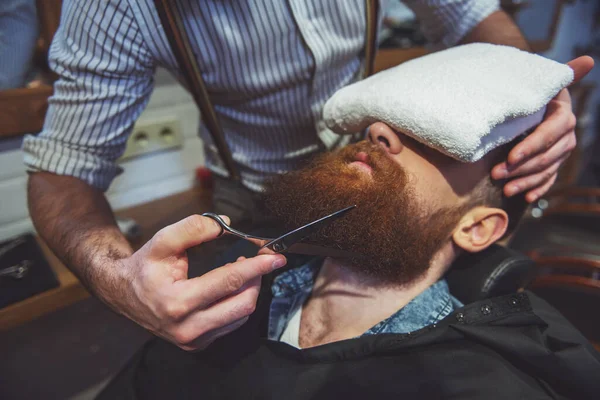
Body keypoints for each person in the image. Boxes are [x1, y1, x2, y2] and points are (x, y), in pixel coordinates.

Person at [24, 0, 582, 360]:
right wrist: (119, 278)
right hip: (255, 194)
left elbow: (476, 20)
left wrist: (535, 93)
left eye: (422, 139)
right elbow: (64, 170)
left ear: (481, 227)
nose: (381, 130)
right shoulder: (116, 9)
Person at [98, 98, 600, 399]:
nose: (379, 131)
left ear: (477, 228)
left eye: (439, 141)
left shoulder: (478, 382)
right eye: (386, 122)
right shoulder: (224, 291)